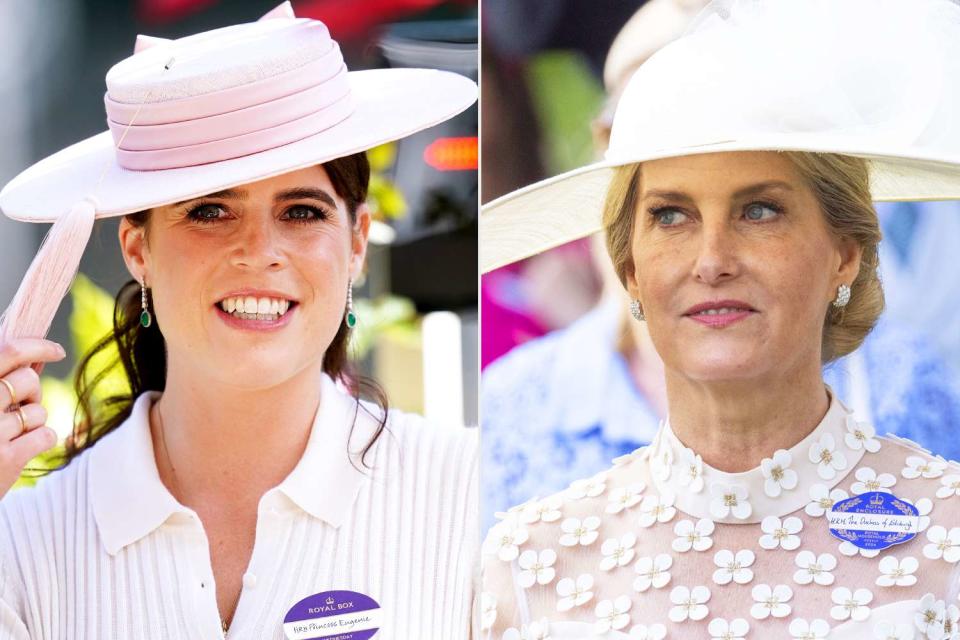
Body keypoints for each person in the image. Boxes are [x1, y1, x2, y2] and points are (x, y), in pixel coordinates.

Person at [480, 0, 960, 637]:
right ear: (630, 269)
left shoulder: (947, 532)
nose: (712, 261)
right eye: (670, 215)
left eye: (760, 210)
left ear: (845, 253)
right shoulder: (527, 565)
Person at [0, 4, 478, 638]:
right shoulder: (25, 542)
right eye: (209, 212)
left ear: (357, 242)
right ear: (138, 249)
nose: (259, 251)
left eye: (302, 212)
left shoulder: (472, 496)